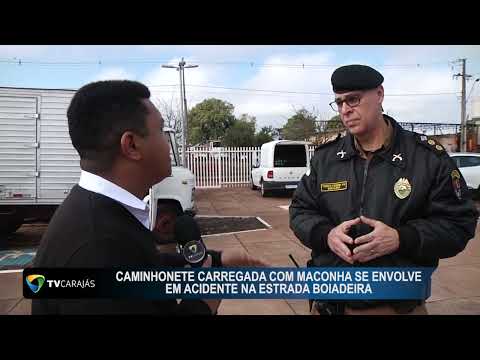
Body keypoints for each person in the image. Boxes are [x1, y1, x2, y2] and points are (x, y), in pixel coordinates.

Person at [32, 80, 265, 315]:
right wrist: (204, 301)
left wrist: (216, 259)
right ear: (132, 145)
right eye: (161, 132)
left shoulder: (101, 214)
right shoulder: (97, 248)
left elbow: (141, 267)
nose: (166, 144)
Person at [289, 64, 478, 315]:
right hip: (328, 305)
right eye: (339, 102)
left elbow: (459, 223)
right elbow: (300, 211)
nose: (345, 110)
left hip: (396, 307)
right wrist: (326, 235)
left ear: (379, 94)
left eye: (353, 99)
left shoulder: (426, 158)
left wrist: (402, 238)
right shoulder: (326, 158)